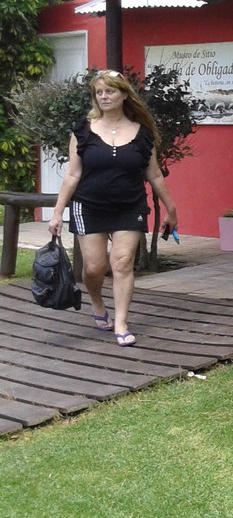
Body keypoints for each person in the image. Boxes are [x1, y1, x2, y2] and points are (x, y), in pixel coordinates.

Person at [48, 70, 179, 347]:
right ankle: (97, 304)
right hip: (89, 205)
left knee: (121, 263)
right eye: (99, 92)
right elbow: (72, 174)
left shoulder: (142, 134)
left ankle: (121, 322)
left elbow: (154, 175)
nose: (104, 96)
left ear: (123, 94)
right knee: (94, 268)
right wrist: (58, 212)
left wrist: (171, 208)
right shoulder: (82, 130)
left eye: (110, 91)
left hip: (129, 206)